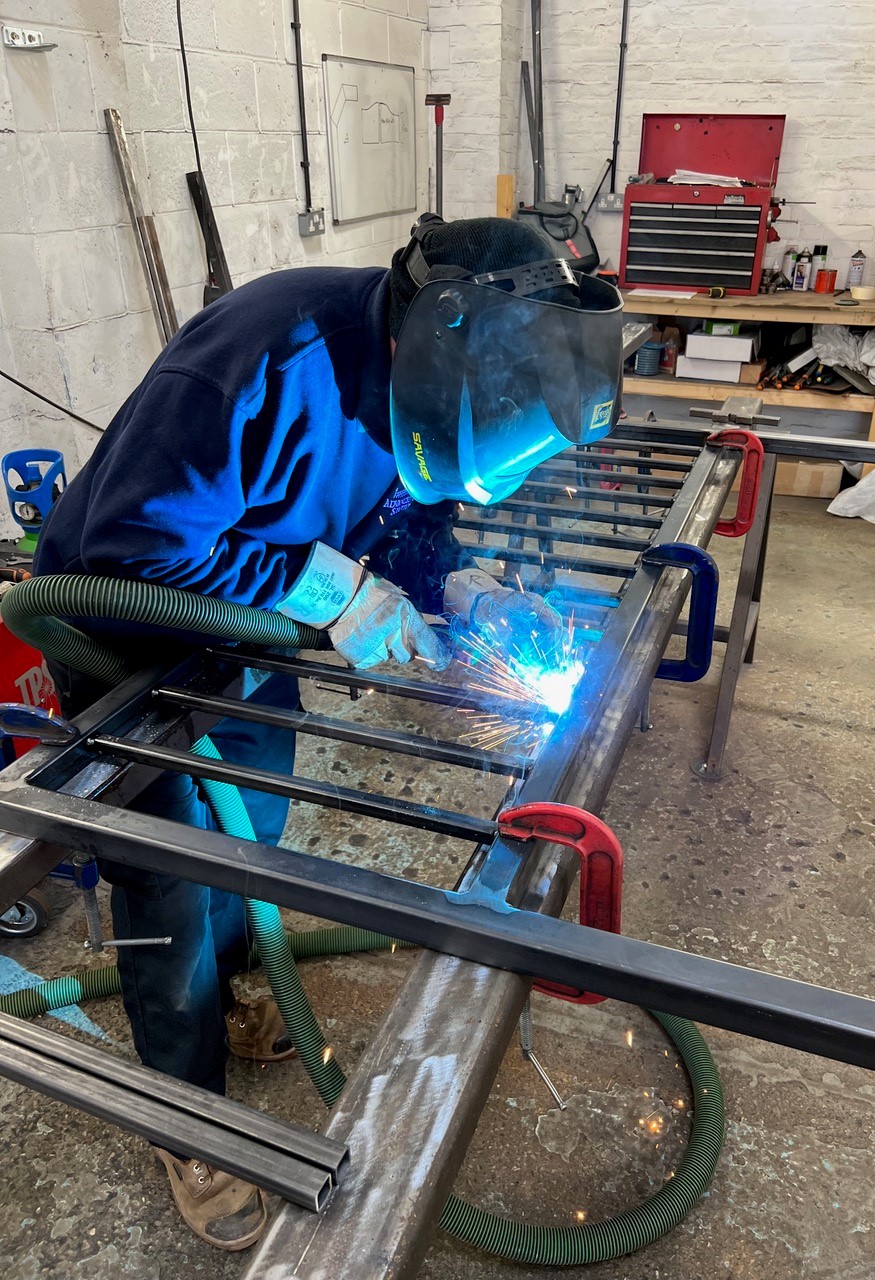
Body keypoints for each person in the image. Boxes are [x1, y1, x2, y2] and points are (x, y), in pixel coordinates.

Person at [35, 214, 622, 1249]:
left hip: (245, 640)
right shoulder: (262, 365)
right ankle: (185, 1114)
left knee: (253, 829)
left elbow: (409, 513)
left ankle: (232, 993)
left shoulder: (438, 388)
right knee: (168, 876)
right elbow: (132, 546)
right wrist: (331, 590)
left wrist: (458, 583)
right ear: (425, 342)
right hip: (127, 637)